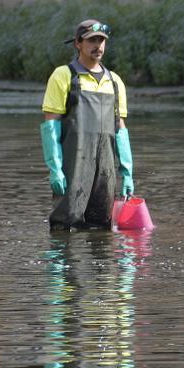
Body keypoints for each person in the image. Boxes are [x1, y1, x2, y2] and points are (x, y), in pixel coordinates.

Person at [40, 19, 134, 231]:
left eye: (101, 41)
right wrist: (55, 169)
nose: (98, 46)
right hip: (73, 169)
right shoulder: (63, 76)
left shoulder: (115, 82)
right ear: (78, 44)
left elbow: (120, 129)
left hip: (105, 172)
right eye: (92, 40)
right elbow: (50, 127)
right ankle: (60, 264)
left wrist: (127, 172)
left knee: (102, 230)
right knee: (64, 228)